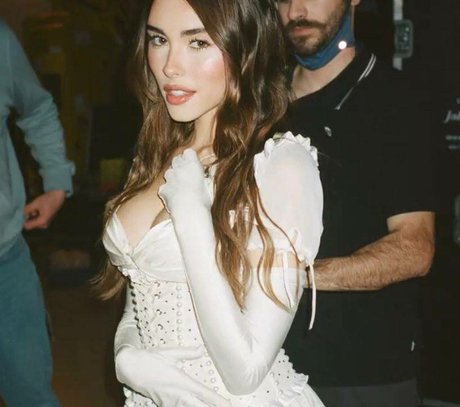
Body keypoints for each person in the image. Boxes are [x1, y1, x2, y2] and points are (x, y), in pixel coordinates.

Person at [99, 0, 325, 405]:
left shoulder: (280, 166)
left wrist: (191, 216)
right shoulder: (158, 153)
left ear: (245, 47)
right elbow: (142, 295)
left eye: (198, 43)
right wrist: (127, 358)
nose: (170, 66)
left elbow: (246, 372)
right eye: (158, 40)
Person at [275, 1, 436, 406]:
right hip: (267, 369)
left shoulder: (395, 102)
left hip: (364, 375)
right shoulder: (258, 101)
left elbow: (415, 247)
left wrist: (292, 277)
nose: (296, 9)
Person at [0, 18, 74, 407]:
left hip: (6, 262)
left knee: (32, 397)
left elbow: (38, 109)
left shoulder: (0, 41)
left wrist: (57, 182)